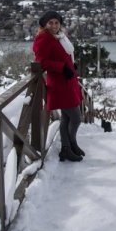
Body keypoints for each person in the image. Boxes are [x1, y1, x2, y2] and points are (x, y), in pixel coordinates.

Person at [33, 10, 85, 162]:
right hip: (59, 84)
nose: (54, 25)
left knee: (66, 119)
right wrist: (62, 67)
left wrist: (70, 64)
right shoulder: (43, 38)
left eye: (57, 22)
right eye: (50, 23)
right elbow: (41, 61)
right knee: (76, 118)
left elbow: (61, 55)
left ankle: (67, 148)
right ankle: (70, 144)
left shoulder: (58, 37)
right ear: (44, 24)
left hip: (67, 82)